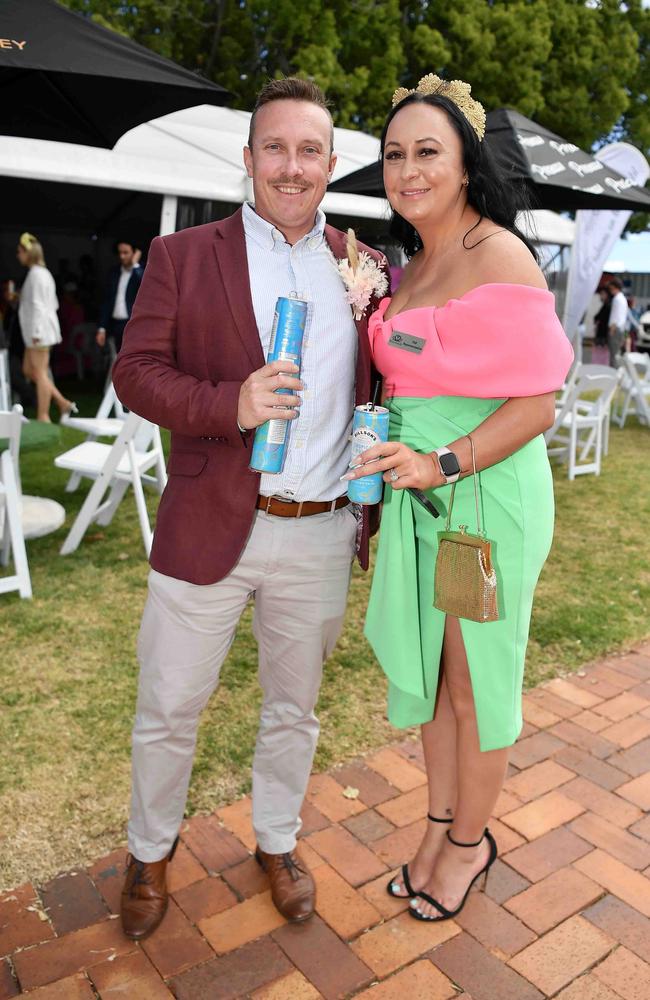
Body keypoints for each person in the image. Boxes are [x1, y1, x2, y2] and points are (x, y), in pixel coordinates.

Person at [112, 76, 388, 941]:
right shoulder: (184, 256)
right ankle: (149, 852)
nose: (292, 165)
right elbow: (135, 372)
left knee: (294, 709)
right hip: (210, 522)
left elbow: (386, 375)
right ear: (249, 158)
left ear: (332, 164)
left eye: (310, 150)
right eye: (276, 147)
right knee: (168, 705)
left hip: (319, 527)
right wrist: (228, 404)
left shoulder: (366, 266)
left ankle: (276, 842)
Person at [343, 75, 573, 923]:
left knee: (476, 684)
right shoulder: (410, 264)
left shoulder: (497, 253)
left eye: (427, 151)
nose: (407, 169)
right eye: (394, 154)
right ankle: (440, 825)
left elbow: (539, 402)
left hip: (481, 501)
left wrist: (441, 461)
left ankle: (472, 847)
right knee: (436, 679)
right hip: (419, 495)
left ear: (467, 165)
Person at [16, 232, 76, 422]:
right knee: (29, 370)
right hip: (36, 332)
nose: (17, 255)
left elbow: (39, 306)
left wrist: (36, 332)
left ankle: (44, 416)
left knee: (40, 373)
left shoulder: (37, 275)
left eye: (20, 251)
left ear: (28, 252)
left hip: (38, 332)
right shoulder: (39, 273)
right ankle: (62, 402)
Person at [96, 241, 143, 354]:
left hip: (133, 325)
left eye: (126, 252)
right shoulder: (114, 273)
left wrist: (135, 265)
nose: (122, 256)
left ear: (135, 252)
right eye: (120, 253)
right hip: (115, 325)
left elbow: (146, 287)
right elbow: (107, 301)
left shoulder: (142, 271)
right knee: (117, 358)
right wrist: (102, 328)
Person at [606, 276, 628, 367]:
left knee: (613, 355)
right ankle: (617, 374)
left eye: (611, 288)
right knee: (616, 354)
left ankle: (614, 375)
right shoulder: (623, 298)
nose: (610, 290)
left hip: (615, 329)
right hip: (621, 329)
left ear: (615, 287)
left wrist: (611, 329)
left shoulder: (617, 299)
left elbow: (616, 316)